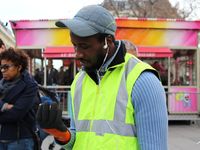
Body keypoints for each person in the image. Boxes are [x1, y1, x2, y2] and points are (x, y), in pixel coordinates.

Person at [37, 5, 168, 150]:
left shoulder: (143, 81)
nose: (77, 54)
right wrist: (62, 135)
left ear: (108, 41)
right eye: (75, 46)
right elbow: (78, 139)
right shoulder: (78, 82)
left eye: (84, 46)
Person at [0, 48, 38, 150]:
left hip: (20, 140)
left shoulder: (30, 85)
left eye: (6, 67)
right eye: (1, 67)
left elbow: (16, 114)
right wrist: (4, 105)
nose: (3, 70)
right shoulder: (1, 83)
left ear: (19, 67)